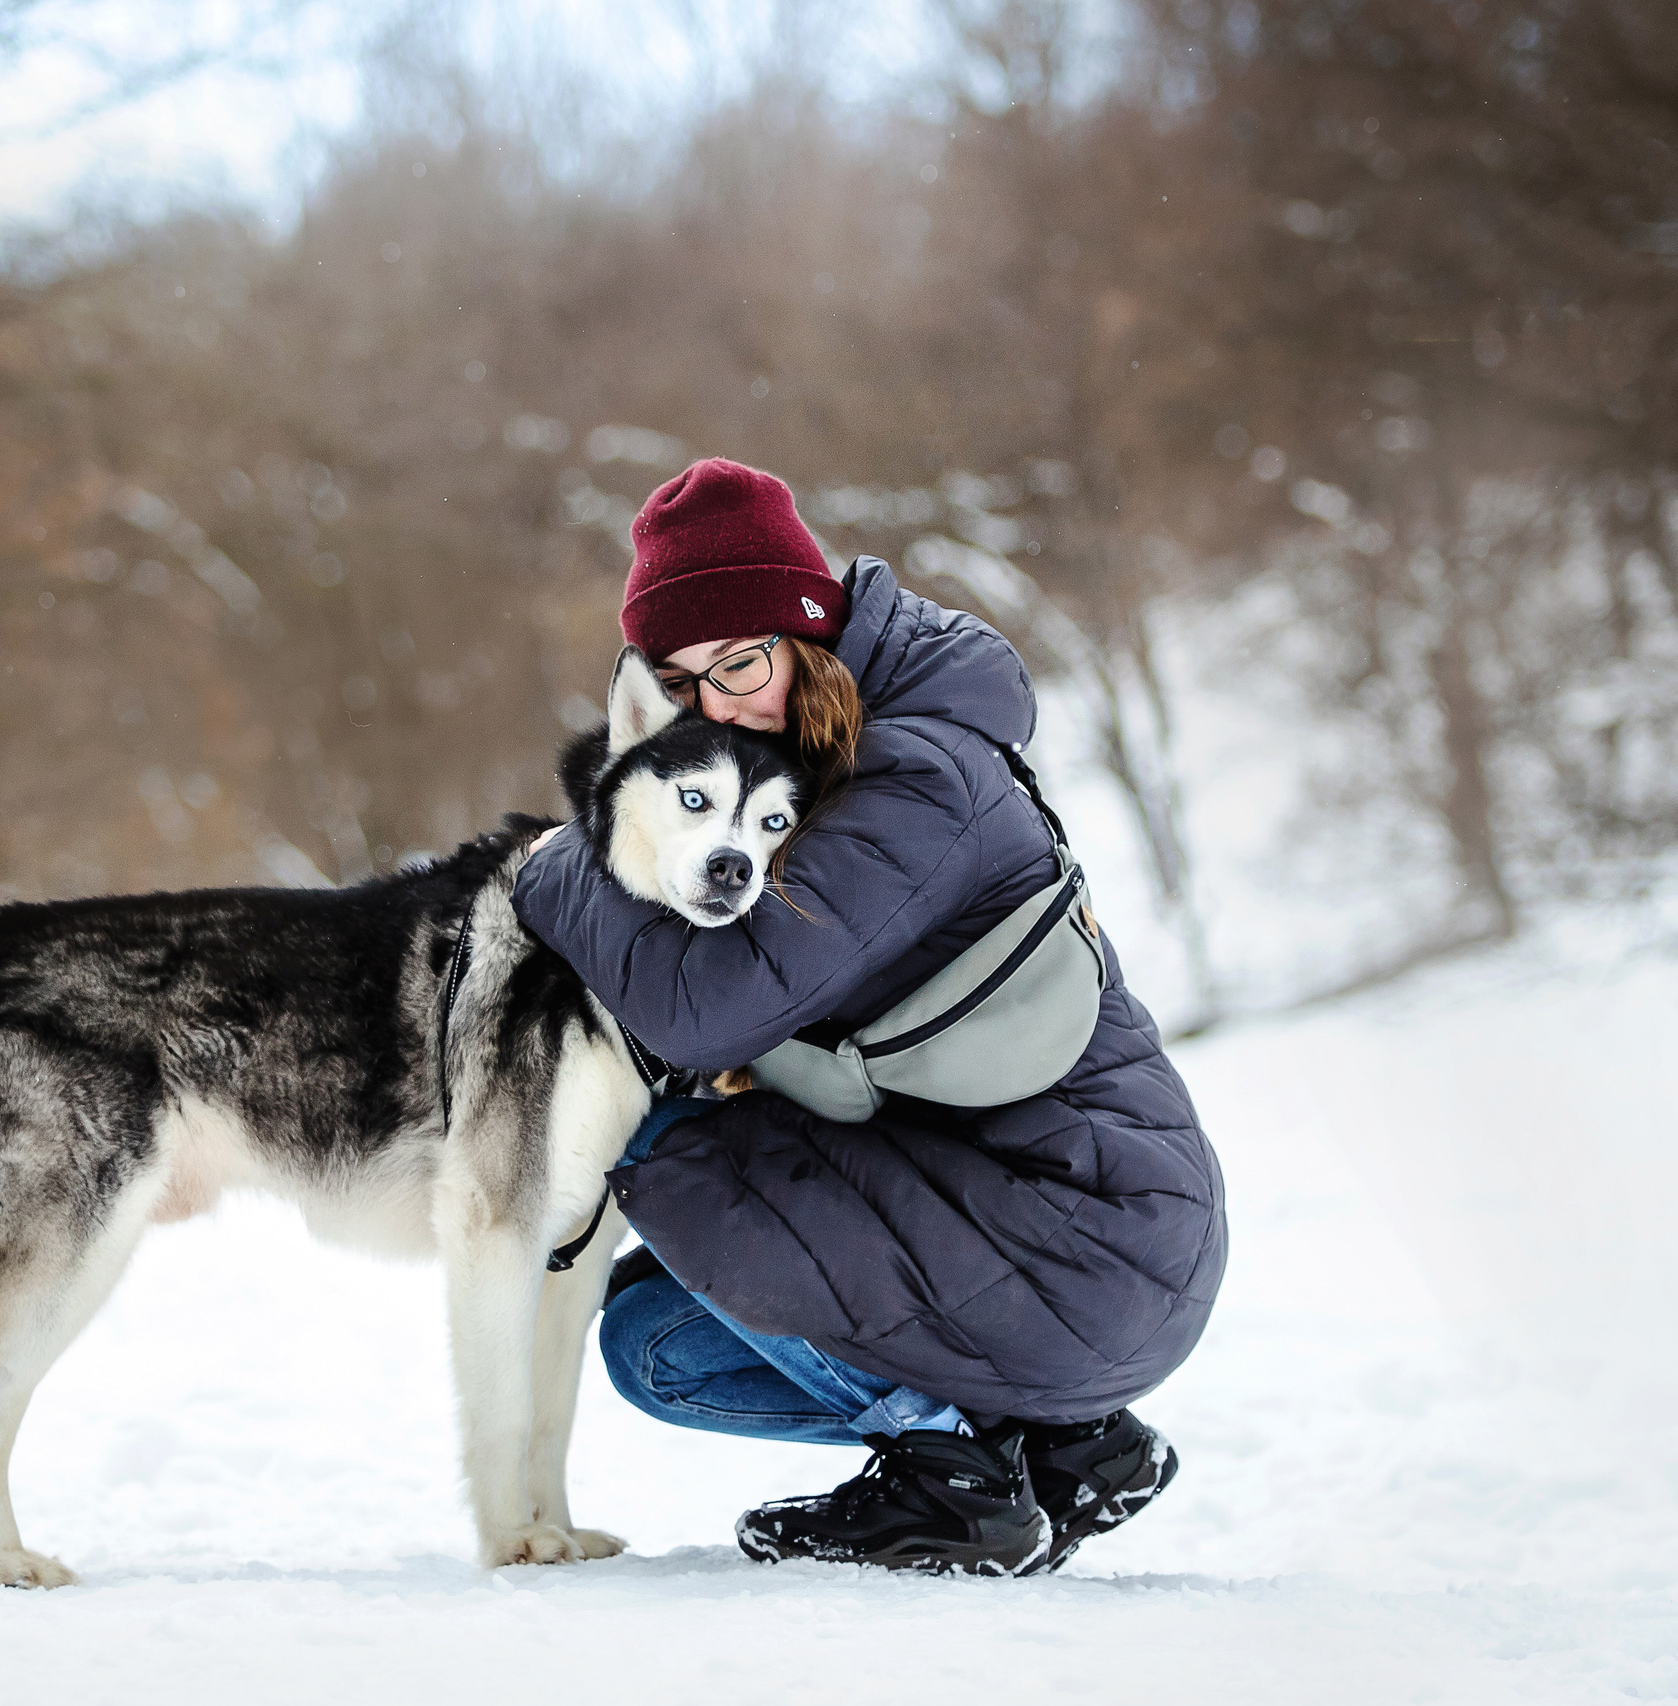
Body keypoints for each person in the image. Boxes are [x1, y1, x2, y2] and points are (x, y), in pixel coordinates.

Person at [512, 458, 1227, 1575]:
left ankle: (951, 1476)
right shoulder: (802, 780)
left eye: (740, 661)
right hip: (1045, 1238)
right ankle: (1063, 1445)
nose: (715, 707)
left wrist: (549, 866)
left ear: (811, 637)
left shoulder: (918, 775)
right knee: (655, 1345)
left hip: (1091, 1236)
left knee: (656, 1136)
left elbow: (706, 1009)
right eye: (678, 678)